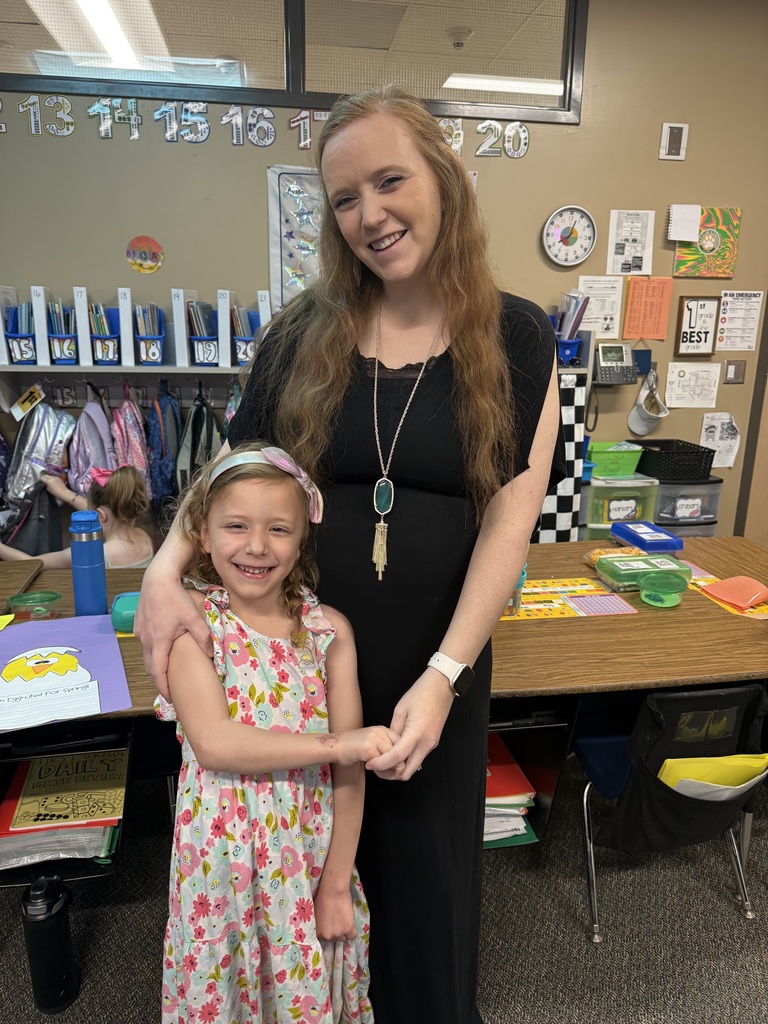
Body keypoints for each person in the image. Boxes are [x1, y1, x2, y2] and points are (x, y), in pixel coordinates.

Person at [137, 86, 564, 1024]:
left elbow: (511, 519)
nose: (369, 214)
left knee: (425, 898)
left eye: (390, 181)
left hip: (435, 666)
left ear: (444, 179)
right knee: (303, 894)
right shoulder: (303, 332)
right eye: (343, 198)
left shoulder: (518, 334)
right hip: (297, 664)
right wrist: (163, 572)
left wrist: (445, 676)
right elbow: (230, 476)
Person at [156, 442, 397, 1023]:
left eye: (278, 529)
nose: (257, 546)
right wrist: (337, 745)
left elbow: (349, 775)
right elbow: (216, 742)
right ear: (202, 533)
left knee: (299, 995)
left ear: (301, 536)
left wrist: (335, 885)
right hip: (220, 870)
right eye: (236, 526)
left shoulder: (327, 633)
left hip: (305, 863)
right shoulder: (193, 627)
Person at [0, 466, 153, 569]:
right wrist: (65, 494)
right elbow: (107, 514)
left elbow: (31, 563)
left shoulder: (93, 553)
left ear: (100, 515)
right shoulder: (144, 538)